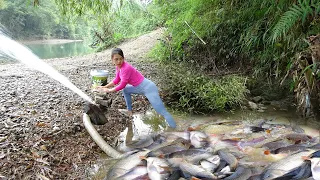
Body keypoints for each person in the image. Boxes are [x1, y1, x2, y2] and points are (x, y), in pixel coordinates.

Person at [95, 48, 176, 128]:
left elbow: (122, 84)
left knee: (162, 111)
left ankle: (175, 129)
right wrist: (104, 87)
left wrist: (109, 90)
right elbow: (116, 80)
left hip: (149, 89)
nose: (119, 61)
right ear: (112, 60)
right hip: (140, 87)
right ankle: (129, 112)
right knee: (126, 90)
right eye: (116, 59)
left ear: (124, 58)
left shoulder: (125, 68)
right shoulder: (118, 67)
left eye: (121, 59)